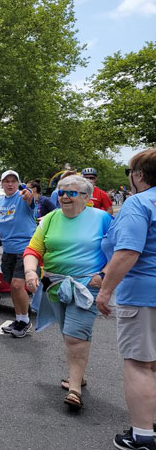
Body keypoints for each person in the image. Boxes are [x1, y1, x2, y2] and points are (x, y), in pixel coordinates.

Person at [23, 175, 112, 410]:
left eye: (70, 193)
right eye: (60, 192)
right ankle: (79, 373)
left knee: (74, 335)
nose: (63, 196)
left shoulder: (102, 218)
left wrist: (103, 275)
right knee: (68, 331)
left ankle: (74, 389)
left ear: (86, 197)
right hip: (54, 286)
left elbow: (120, 251)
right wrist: (31, 272)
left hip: (86, 286)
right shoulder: (50, 219)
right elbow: (33, 249)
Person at [96, 148, 156, 449]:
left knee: (139, 363)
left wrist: (105, 290)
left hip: (144, 294)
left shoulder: (140, 203)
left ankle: (143, 435)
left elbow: (128, 252)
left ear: (139, 175)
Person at [0, 170, 37, 338]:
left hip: (26, 249)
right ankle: (19, 319)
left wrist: (27, 193)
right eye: (6, 181)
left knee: (16, 285)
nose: (10, 184)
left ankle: (26, 321)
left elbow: (29, 198)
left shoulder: (23, 198)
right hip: (8, 249)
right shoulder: (1, 202)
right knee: (12, 287)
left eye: (13, 181)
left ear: (18, 183)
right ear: (1, 184)